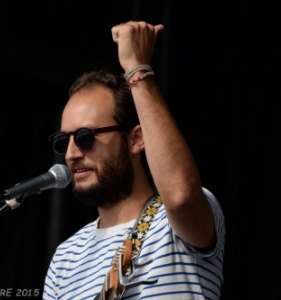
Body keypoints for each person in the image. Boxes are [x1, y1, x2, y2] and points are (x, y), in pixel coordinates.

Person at [43, 21, 225, 300]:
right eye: (61, 141)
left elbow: (179, 197)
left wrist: (136, 67)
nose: (71, 154)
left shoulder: (173, 222)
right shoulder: (65, 257)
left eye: (84, 137)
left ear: (136, 139)